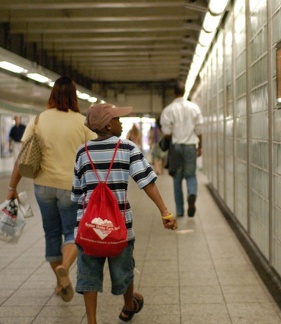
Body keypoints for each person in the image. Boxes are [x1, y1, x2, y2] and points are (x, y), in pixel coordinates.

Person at [71, 103, 177, 324]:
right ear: (109, 125)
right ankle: (128, 306)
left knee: (88, 275)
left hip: (89, 228)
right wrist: (164, 212)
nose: (121, 122)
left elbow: (76, 194)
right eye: (118, 119)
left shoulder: (83, 151)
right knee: (124, 269)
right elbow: (146, 182)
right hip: (120, 227)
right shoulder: (127, 148)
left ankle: (91, 321)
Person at [6, 76, 97, 303]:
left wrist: (12, 187)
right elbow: (94, 155)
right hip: (71, 187)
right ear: (74, 96)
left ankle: (59, 282)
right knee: (73, 232)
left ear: (52, 95)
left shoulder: (39, 120)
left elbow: (23, 156)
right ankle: (65, 267)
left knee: (52, 234)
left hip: (43, 186)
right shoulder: (82, 122)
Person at [160, 81, 203, 217]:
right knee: (191, 175)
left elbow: (167, 132)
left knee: (177, 179)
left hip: (176, 147)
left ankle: (179, 210)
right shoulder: (194, 108)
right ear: (185, 91)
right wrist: (200, 146)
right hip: (190, 146)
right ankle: (192, 193)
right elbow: (199, 129)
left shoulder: (168, 110)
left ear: (174, 92)